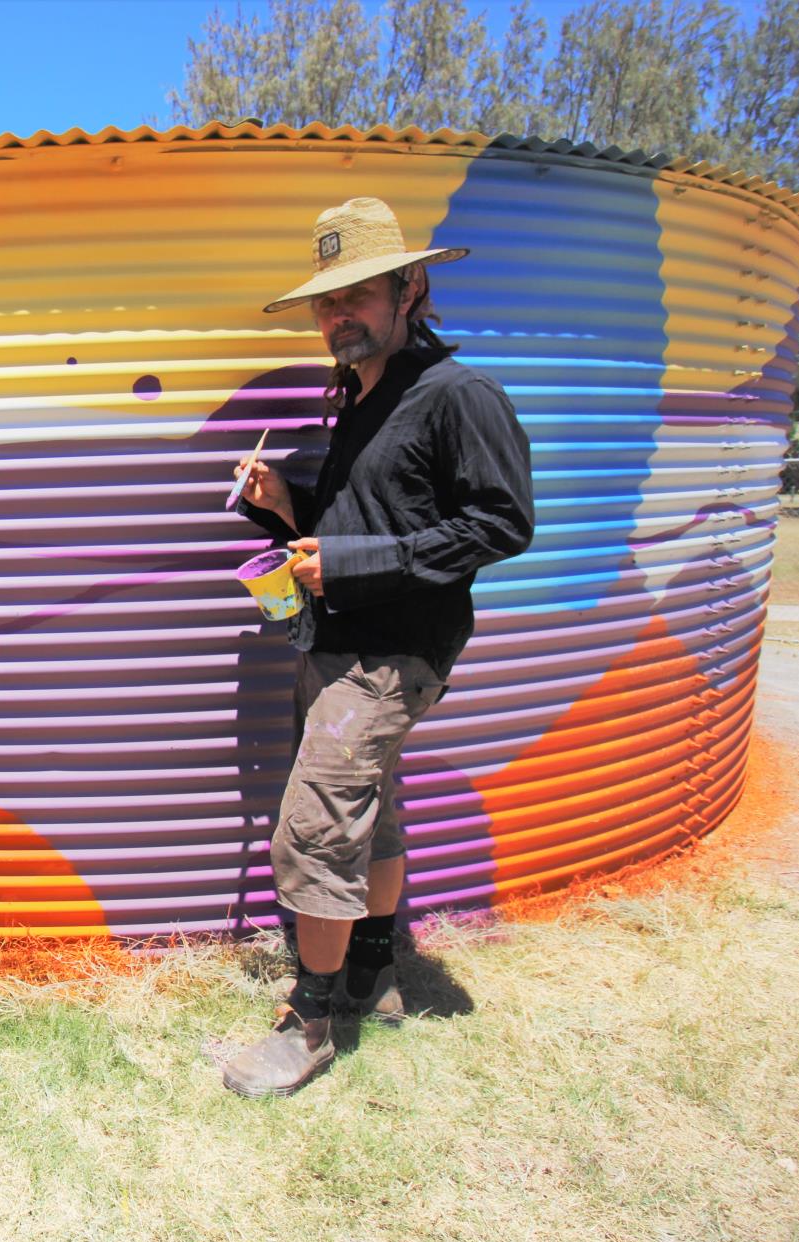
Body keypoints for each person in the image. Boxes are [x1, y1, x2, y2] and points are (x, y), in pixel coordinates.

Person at [224, 197, 535, 1097]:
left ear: (412, 287)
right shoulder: (360, 395)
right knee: (372, 814)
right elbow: (369, 523)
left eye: (356, 295)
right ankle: (373, 976)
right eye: (326, 303)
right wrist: (289, 508)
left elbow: (504, 523)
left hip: (394, 654)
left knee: (316, 826)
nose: (337, 317)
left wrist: (357, 558)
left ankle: (310, 1023)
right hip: (340, 645)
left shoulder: (458, 395)